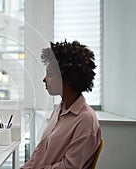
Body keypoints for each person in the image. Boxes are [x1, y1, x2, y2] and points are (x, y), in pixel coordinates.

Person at [22, 40, 101, 169]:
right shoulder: (61, 108)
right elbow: (40, 152)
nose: (44, 79)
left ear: (68, 79)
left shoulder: (86, 120)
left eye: (50, 74)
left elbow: (69, 167)